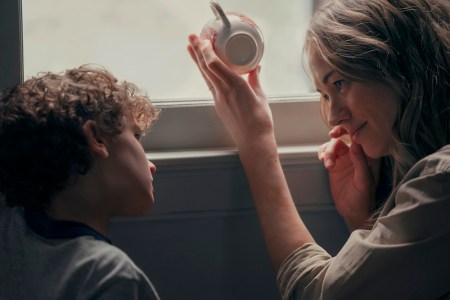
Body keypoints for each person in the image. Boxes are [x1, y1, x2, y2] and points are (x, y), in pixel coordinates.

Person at [187, 0, 450, 299]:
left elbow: (319, 294)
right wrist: (363, 220)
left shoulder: (442, 183)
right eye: (324, 95)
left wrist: (256, 145)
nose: (335, 116)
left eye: (340, 83)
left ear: (401, 66)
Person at [0, 66, 161, 299]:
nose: (151, 165)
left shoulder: (9, 227)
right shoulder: (111, 277)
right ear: (96, 138)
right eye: (135, 136)